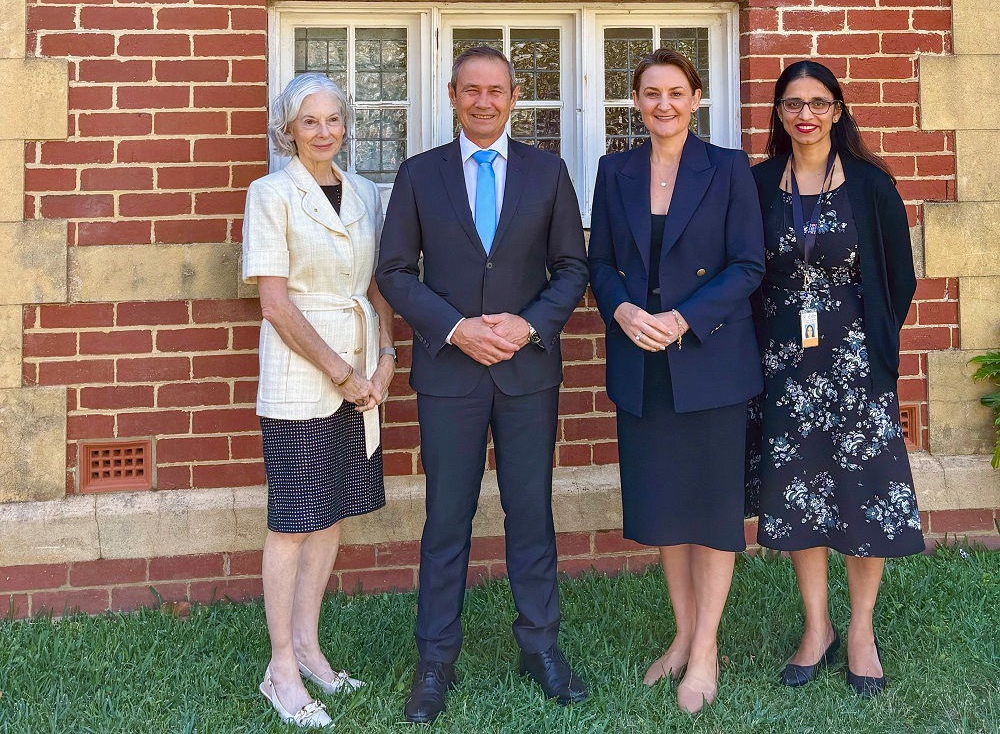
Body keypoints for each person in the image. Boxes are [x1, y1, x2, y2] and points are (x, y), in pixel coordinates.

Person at [377, 45, 590, 725]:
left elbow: (571, 267)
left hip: (527, 372)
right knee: (446, 519)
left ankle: (540, 646)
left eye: (496, 90)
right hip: (450, 373)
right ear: (451, 93)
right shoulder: (419, 175)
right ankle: (436, 658)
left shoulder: (548, 171)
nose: (484, 101)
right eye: (471, 89)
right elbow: (395, 272)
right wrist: (456, 328)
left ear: (514, 95)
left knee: (531, 512)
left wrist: (528, 327)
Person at [589, 48, 765, 715]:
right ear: (636, 101)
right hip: (643, 362)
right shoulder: (616, 170)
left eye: (675, 92)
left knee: (713, 510)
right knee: (668, 507)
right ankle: (683, 633)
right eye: (650, 92)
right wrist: (625, 309)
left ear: (697, 99)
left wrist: (683, 317)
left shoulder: (726, 168)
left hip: (709, 359)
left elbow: (747, 264)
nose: (663, 103)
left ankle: (708, 647)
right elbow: (599, 259)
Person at [751, 60, 923, 698]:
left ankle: (861, 631)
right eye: (792, 103)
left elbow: (899, 278)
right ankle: (817, 626)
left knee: (863, 493)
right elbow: (749, 267)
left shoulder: (873, 186)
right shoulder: (763, 182)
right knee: (802, 492)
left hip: (855, 365)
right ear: (778, 114)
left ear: (838, 111)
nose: (805, 114)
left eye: (819, 103)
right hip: (787, 367)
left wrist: (872, 340)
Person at [242, 72, 396, 729]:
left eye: (335, 119)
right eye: (311, 121)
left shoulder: (364, 191)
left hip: (362, 371)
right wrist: (340, 370)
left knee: (331, 510)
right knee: (294, 518)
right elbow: (274, 302)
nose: (325, 131)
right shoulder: (270, 193)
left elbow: (379, 285)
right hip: (303, 375)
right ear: (288, 129)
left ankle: (309, 646)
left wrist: (386, 357)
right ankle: (279, 668)